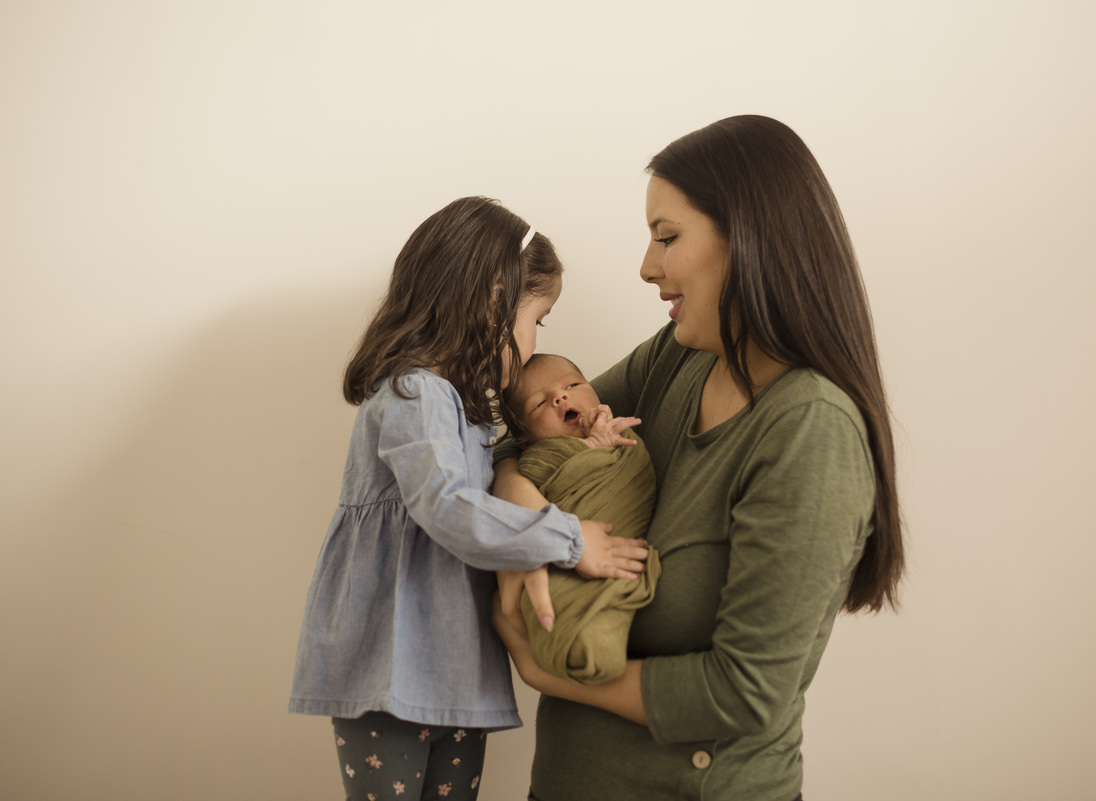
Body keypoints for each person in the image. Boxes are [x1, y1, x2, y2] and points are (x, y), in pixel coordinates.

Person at [491, 116, 905, 801]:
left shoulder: (810, 429)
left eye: (667, 237)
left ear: (750, 240)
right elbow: (522, 430)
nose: (646, 266)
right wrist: (527, 510)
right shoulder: (679, 357)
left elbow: (745, 693)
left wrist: (546, 673)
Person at [288, 197, 649, 801]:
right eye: (538, 320)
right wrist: (568, 539)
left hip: (458, 677)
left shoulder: (467, 413)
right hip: (391, 671)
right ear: (493, 304)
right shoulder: (414, 395)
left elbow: (508, 477)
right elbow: (449, 508)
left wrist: (587, 441)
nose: (533, 343)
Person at [501, 353, 662, 685]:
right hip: (566, 556)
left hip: (614, 536)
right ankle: (578, 637)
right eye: (539, 404)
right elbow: (534, 471)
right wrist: (591, 446)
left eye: (573, 385)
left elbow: (636, 472)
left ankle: (589, 633)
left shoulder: (619, 432)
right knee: (558, 603)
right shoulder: (537, 458)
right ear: (525, 439)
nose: (560, 397)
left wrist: (603, 441)